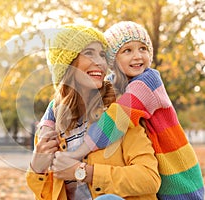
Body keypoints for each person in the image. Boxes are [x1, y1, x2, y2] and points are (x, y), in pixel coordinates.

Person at [39, 21, 204, 199]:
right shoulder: (115, 85)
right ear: (113, 60)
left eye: (143, 49)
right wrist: (46, 127)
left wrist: (77, 156)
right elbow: (57, 103)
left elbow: (113, 121)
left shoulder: (148, 81)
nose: (138, 56)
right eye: (127, 50)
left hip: (176, 166)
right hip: (159, 164)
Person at [26, 24, 161, 200]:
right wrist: (36, 167)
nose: (100, 62)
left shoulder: (120, 109)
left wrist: (83, 172)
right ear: (68, 64)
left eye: (102, 55)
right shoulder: (51, 130)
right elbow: (45, 195)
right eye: (89, 53)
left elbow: (149, 178)